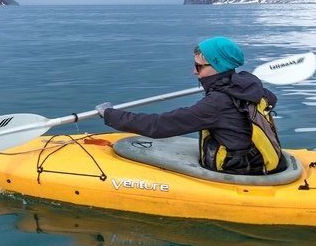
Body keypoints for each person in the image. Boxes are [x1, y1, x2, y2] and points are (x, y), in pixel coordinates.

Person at [96, 36, 282, 175]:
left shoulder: (217, 103)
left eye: (198, 66)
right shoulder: (249, 86)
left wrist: (110, 114)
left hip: (239, 169)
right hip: (254, 159)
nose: (194, 71)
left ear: (218, 66)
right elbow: (272, 99)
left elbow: (159, 126)